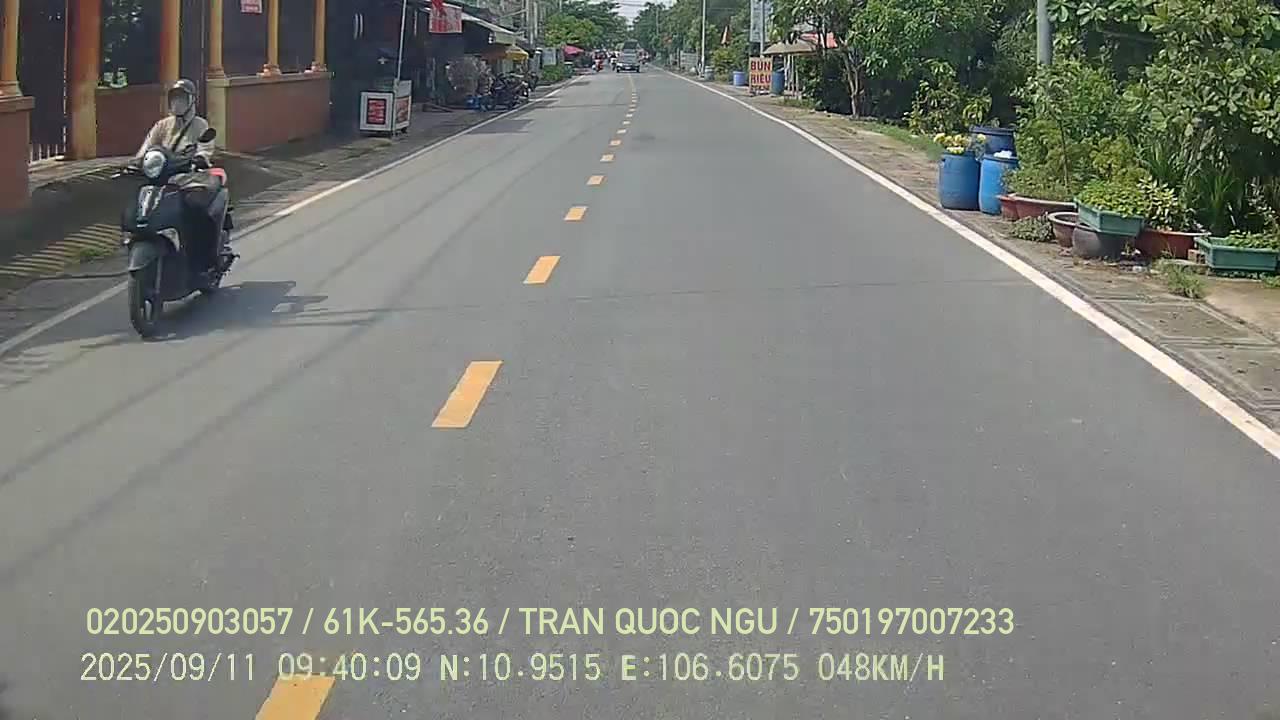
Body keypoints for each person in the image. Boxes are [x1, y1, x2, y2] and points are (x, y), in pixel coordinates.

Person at [133, 79, 228, 270]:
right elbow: (146, 149)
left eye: (182, 98)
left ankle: (205, 256)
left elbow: (205, 148)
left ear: (192, 100)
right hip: (163, 180)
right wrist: (137, 163)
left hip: (190, 179)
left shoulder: (200, 124)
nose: (178, 102)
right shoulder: (162, 125)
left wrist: (200, 158)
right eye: (174, 98)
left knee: (197, 211)